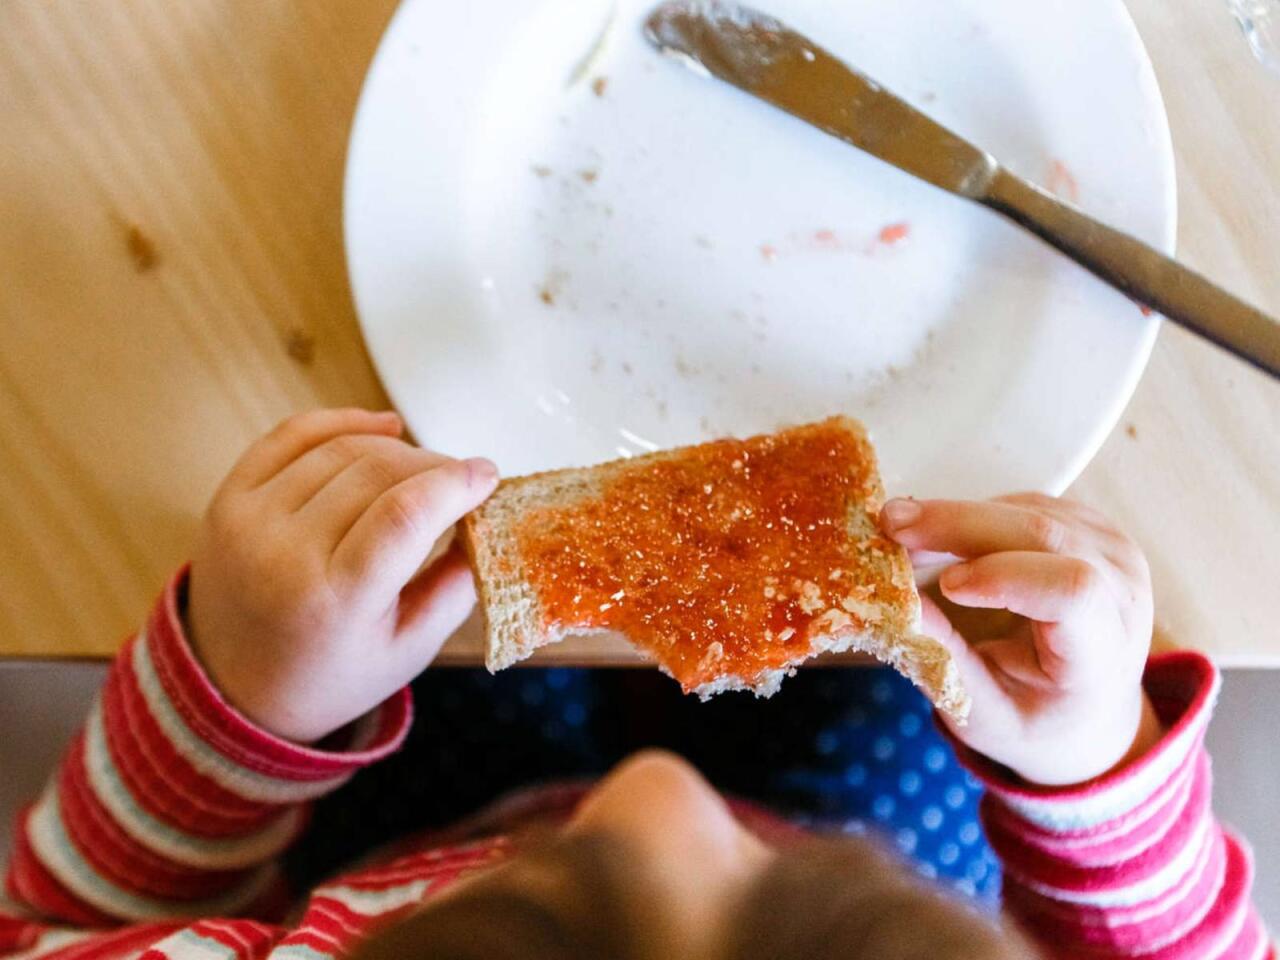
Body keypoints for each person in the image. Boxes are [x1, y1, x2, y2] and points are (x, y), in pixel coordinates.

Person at [0, 408, 1267, 960]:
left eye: (567, 886)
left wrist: (236, 708)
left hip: (409, 833)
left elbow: (64, 928)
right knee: (921, 680)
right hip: (884, 838)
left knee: (431, 636)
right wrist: (1094, 771)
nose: (657, 789)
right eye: (755, 875)